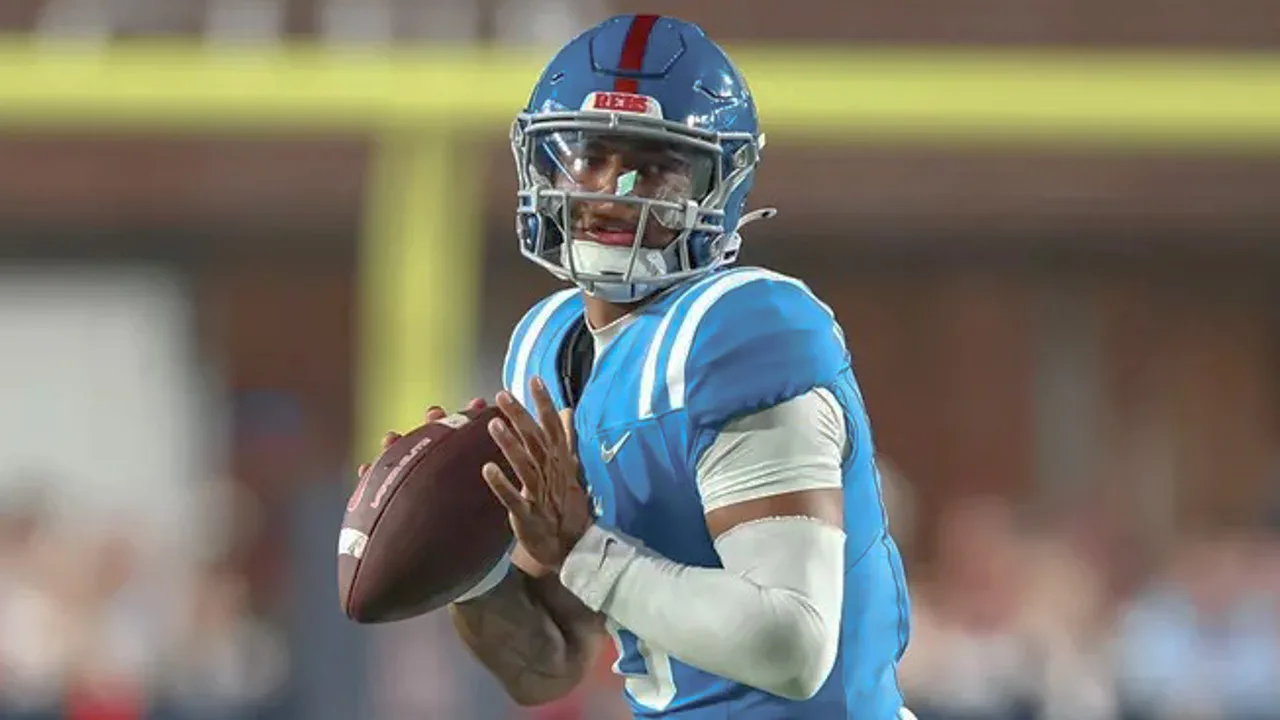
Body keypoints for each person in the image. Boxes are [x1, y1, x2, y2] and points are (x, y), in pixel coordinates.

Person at [366, 14, 911, 718]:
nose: (612, 188)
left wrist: (585, 551)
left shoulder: (742, 330)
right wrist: (461, 555)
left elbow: (792, 645)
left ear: (717, 186)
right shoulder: (546, 345)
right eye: (589, 157)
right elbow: (546, 662)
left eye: (653, 167)